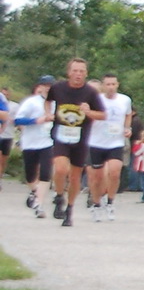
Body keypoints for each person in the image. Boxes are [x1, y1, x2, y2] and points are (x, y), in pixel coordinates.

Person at [48, 58, 107, 228]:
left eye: (82, 71)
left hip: (80, 139)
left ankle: (69, 209)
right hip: (61, 135)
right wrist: (49, 113)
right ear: (69, 72)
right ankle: (59, 196)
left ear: (86, 74)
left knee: (74, 177)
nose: (78, 74)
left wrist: (89, 112)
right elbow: (48, 101)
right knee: (60, 169)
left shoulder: (90, 93)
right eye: (75, 71)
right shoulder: (58, 87)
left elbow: (102, 115)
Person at [87, 74, 133, 221]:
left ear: (117, 85)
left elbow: (128, 114)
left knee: (114, 172)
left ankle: (110, 201)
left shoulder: (124, 99)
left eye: (113, 84)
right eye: (108, 84)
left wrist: (127, 128)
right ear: (103, 86)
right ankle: (96, 203)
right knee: (97, 178)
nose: (111, 87)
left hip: (116, 142)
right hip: (97, 142)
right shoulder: (96, 100)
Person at [15, 77, 53, 218]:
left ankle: (40, 205)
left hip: (48, 142)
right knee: (30, 175)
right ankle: (35, 192)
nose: (48, 88)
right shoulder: (31, 102)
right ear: (40, 87)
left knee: (45, 173)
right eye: (45, 85)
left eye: (51, 85)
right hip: (30, 143)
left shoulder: (57, 103)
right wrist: (37, 120)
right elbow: (18, 120)